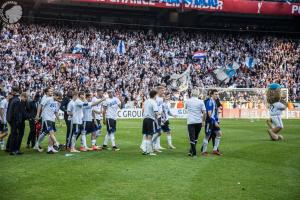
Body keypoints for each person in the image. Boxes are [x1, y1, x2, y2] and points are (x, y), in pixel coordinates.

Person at [185, 89, 206, 157]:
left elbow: (185, 109)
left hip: (190, 121)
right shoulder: (201, 101)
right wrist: (203, 121)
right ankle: (191, 151)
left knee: (192, 138)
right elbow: (204, 112)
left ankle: (194, 153)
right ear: (198, 94)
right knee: (196, 137)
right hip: (198, 121)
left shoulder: (187, 101)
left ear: (191, 94)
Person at [201, 90, 223, 156]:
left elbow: (214, 113)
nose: (217, 95)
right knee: (207, 136)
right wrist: (215, 122)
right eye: (215, 94)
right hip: (209, 122)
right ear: (212, 95)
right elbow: (209, 114)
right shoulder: (210, 102)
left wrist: (217, 120)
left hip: (214, 121)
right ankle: (204, 151)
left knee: (219, 134)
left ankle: (215, 150)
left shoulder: (214, 101)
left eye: (217, 94)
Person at [6, 87, 27, 155]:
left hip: (10, 119)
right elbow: (16, 112)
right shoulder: (17, 100)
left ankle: (12, 149)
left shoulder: (12, 99)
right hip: (14, 120)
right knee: (14, 135)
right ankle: (13, 150)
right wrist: (18, 121)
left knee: (13, 134)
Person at [142, 90, 159, 156]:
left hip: (145, 119)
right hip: (150, 120)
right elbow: (156, 112)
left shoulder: (146, 101)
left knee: (146, 135)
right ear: (154, 95)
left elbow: (143, 110)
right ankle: (149, 151)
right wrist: (159, 114)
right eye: (156, 95)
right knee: (150, 135)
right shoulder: (153, 102)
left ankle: (145, 150)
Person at [152, 86, 165, 152]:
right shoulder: (155, 98)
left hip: (159, 117)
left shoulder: (161, 98)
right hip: (155, 117)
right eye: (162, 90)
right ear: (158, 91)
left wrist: (162, 118)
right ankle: (152, 145)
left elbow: (160, 108)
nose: (163, 91)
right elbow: (154, 108)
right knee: (157, 132)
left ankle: (155, 146)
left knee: (158, 132)